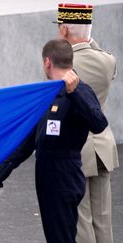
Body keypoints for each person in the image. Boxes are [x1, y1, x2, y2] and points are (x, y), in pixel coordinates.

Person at [0, 39, 108, 243]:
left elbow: (99, 123)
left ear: (47, 62)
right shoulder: (49, 95)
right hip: (48, 180)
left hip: (64, 177)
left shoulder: (80, 90)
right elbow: (26, 144)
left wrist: (76, 92)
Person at [55, 3, 119, 243]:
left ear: (63, 30)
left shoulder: (63, 67)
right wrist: (86, 37)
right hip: (102, 145)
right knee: (103, 218)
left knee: (81, 220)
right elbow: (97, 50)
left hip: (77, 149)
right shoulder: (107, 61)